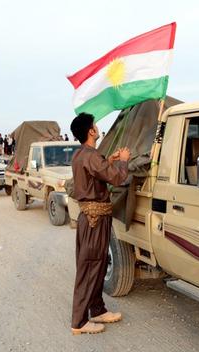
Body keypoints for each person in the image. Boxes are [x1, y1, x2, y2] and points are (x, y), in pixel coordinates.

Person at [69, 112, 130, 335]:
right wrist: (123, 161)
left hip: (94, 219)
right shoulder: (91, 156)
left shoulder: (81, 155)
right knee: (90, 266)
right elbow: (117, 179)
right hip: (95, 220)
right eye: (94, 125)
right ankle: (79, 322)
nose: (97, 127)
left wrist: (110, 161)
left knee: (99, 264)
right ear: (91, 131)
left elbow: (96, 171)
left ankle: (97, 309)